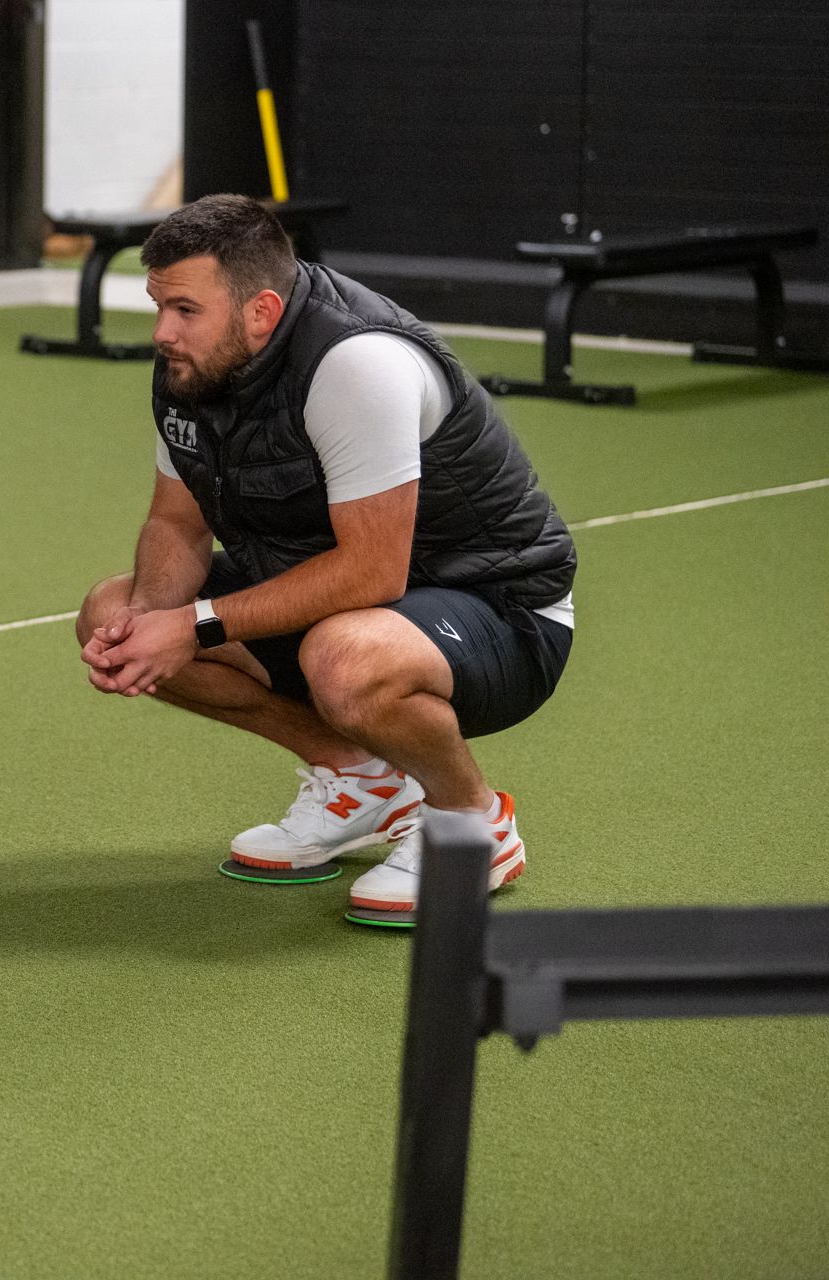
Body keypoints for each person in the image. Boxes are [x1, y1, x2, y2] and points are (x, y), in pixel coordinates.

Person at [77, 195, 575, 924]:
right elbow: (176, 523)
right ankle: (364, 780)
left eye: (184, 310)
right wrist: (153, 626)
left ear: (262, 311)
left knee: (345, 658)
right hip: (343, 602)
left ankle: (471, 826)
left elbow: (375, 573)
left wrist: (197, 625)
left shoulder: (356, 362)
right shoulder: (197, 366)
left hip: (501, 609)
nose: (163, 333)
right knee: (114, 610)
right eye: (158, 307)